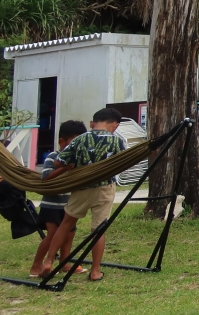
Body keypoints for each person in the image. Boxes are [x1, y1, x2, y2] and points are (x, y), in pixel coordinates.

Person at [38, 108, 127, 282]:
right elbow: (124, 162)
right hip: (104, 188)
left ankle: (48, 261)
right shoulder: (117, 141)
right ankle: (95, 271)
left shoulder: (79, 139)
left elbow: (58, 163)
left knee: (66, 224)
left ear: (93, 122)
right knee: (98, 230)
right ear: (115, 125)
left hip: (80, 188)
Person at [29, 119, 87, 278]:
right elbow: (46, 177)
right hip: (51, 205)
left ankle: (65, 262)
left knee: (69, 234)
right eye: (73, 143)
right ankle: (36, 265)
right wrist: (64, 168)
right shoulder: (53, 157)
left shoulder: (79, 160)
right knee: (53, 234)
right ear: (62, 141)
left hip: (69, 205)